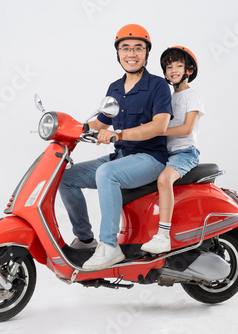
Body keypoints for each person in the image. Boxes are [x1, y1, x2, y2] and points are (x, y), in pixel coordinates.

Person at [58, 24, 173, 270]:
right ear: (118, 53)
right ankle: (87, 239)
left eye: (138, 48)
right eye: (125, 48)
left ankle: (109, 246)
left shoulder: (157, 86)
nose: (131, 53)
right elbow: (100, 121)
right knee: (65, 178)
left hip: (150, 159)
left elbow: (159, 126)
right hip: (121, 156)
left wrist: (117, 135)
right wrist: (64, 128)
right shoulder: (115, 88)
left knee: (106, 173)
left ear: (146, 53)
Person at [141, 46, 204, 254]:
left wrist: (157, 131)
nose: (173, 70)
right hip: (166, 152)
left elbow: (187, 128)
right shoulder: (167, 95)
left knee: (163, 180)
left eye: (179, 65)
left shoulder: (192, 95)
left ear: (189, 70)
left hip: (185, 152)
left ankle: (163, 236)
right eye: (169, 67)